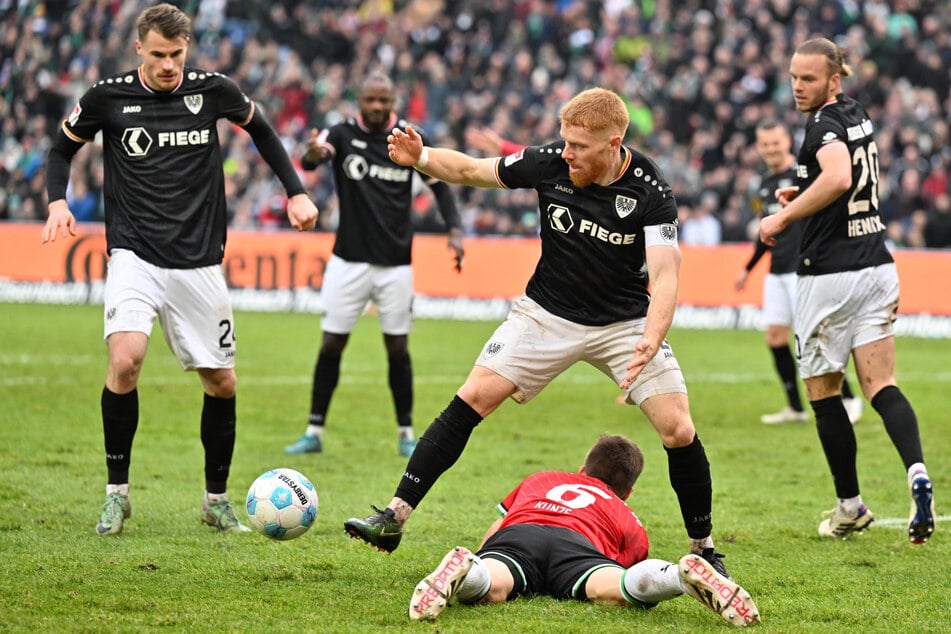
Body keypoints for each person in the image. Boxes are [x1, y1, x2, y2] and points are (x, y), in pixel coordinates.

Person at [345, 87, 735, 578]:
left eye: (579, 146)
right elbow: (470, 170)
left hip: (625, 323)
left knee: (678, 427)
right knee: (474, 395)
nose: (567, 153)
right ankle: (393, 516)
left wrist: (652, 337)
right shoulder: (551, 163)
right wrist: (420, 156)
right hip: (546, 313)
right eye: (564, 141)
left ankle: (703, 549)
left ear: (614, 143)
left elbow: (667, 274)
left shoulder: (649, 190)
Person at [41, 3, 319, 536]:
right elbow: (61, 148)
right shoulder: (108, 97)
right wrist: (58, 201)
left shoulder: (214, 90)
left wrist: (296, 192)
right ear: (139, 48)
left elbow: (261, 130)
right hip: (134, 253)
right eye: (159, 55)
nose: (169, 65)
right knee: (126, 359)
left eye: (177, 54)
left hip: (199, 261)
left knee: (222, 383)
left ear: (186, 49)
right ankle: (116, 495)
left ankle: (216, 501)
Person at [760, 38, 935, 544]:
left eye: (809, 78)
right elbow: (842, 178)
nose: (798, 86)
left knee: (823, 392)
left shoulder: (822, 124)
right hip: (877, 265)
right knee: (881, 385)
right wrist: (804, 188)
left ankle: (850, 507)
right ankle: (917, 472)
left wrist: (784, 215)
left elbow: (837, 176)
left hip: (828, 276)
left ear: (834, 80)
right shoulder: (857, 114)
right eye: (793, 76)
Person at [284, 73, 464, 458]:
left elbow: (440, 183)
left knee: (397, 347)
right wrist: (313, 153)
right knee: (332, 342)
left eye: (385, 99)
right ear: (360, 101)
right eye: (372, 100)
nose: (379, 106)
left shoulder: (406, 139)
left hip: (396, 263)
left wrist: (455, 229)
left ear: (393, 99)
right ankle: (313, 431)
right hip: (348, 260)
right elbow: (314, 156)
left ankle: (405, 433)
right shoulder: (342, 134)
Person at [407, 435, 759, 627]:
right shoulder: (625, 512)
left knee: (491, 587)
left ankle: (470, 568)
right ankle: (676, 577)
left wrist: (484, 553)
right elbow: (624, 571)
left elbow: (499, 523)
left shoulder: (542, 478)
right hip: (577, 548)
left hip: (521, 535)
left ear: (581, 469)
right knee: (617, 589)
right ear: (628, 491)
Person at [736, 119, 863, 425]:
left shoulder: (804, 175)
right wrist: (748, 269)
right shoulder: (763, 186)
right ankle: (794, 408)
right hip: (776, 271)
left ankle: (848, 397)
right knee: (776, 338)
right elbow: (767, 232)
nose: (771, 149)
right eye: (765, 144)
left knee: (813, 337)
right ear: (759, 147)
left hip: (803, 269)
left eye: (775, 142)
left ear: (786, 141)